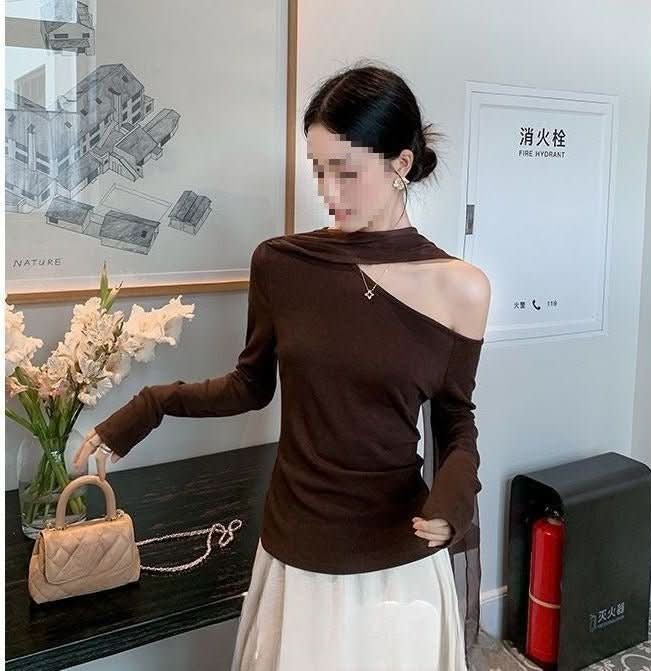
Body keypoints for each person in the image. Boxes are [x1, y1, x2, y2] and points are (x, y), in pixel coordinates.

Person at [73, 61, 490, 671]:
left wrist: (455, 497)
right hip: (298, 548)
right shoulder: (283, 264)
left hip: (398, 553)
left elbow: (455, 420)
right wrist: (149, 406)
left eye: (346, 172)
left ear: (400, 164)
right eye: (319, 170)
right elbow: (249, 387)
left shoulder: (462, 289)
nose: (329, 193)